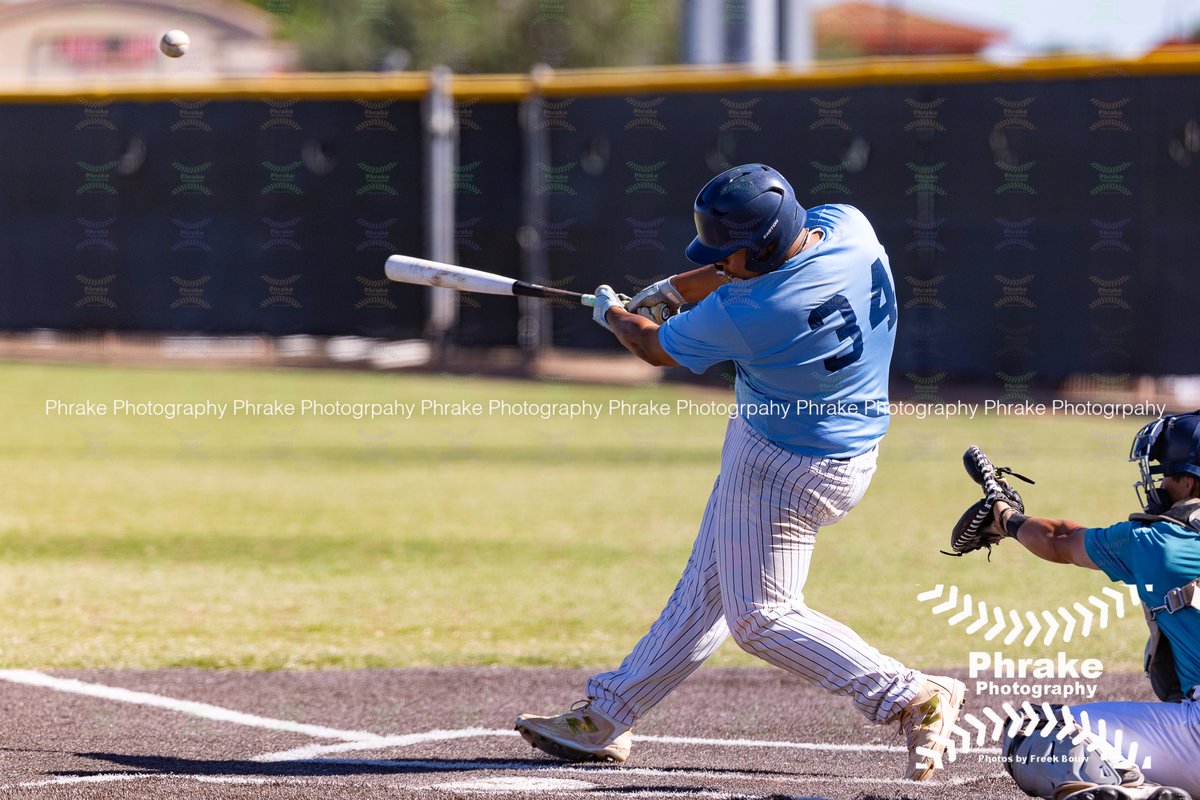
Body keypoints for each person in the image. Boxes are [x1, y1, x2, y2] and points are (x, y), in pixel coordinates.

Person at [514, 163, 966, 780]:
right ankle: (607, 715)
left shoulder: (752, 311)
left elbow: (653, 347)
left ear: (761, 247)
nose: (721, 263)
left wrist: (617, 316)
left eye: (729, 254)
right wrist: (676, 287)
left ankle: (908, 694)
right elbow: (739, 267)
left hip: (781, 467)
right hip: (849, 449)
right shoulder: (850, 229)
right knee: (709, 585)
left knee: (759, 618)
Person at [992, 411, 1200, 800]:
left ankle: (1132, 791)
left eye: (1165, 474)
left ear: (1187, 481)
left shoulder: (1156, 543)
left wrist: (1006, 518)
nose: (1158, 482)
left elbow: (1060, 539)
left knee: (1032, 730)